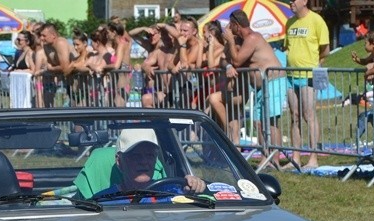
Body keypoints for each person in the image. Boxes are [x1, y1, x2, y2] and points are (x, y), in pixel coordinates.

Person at [219, 9, 285, 167]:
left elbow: (237, 61)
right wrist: (227, 64)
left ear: (236, 25)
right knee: (259, 122)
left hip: (273, 81)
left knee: (270, 121)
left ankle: (274, 159)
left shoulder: (253, 38)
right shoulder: (241, 40)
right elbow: (224, 59)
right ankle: (265, 156)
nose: (228, 29)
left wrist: (230, 42)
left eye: (230, 26)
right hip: (261, 87)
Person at [72, 129, 206, 199]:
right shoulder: (104, 200)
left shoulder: (174, 191)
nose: (144, 162)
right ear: (119, 162)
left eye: (150, 155)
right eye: (136, 156)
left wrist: (195, 185)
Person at [284, 0, 330, 170]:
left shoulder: (317, 20)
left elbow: (325, 49)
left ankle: (313, 157)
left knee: (308, 114)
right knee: (294, 115)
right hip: (291, 75)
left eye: (294, 0)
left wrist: (315, 64)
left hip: (309, 74)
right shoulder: (290, 22)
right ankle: (295, 157)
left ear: (304, 1)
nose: (290, 2)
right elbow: (288, 47)